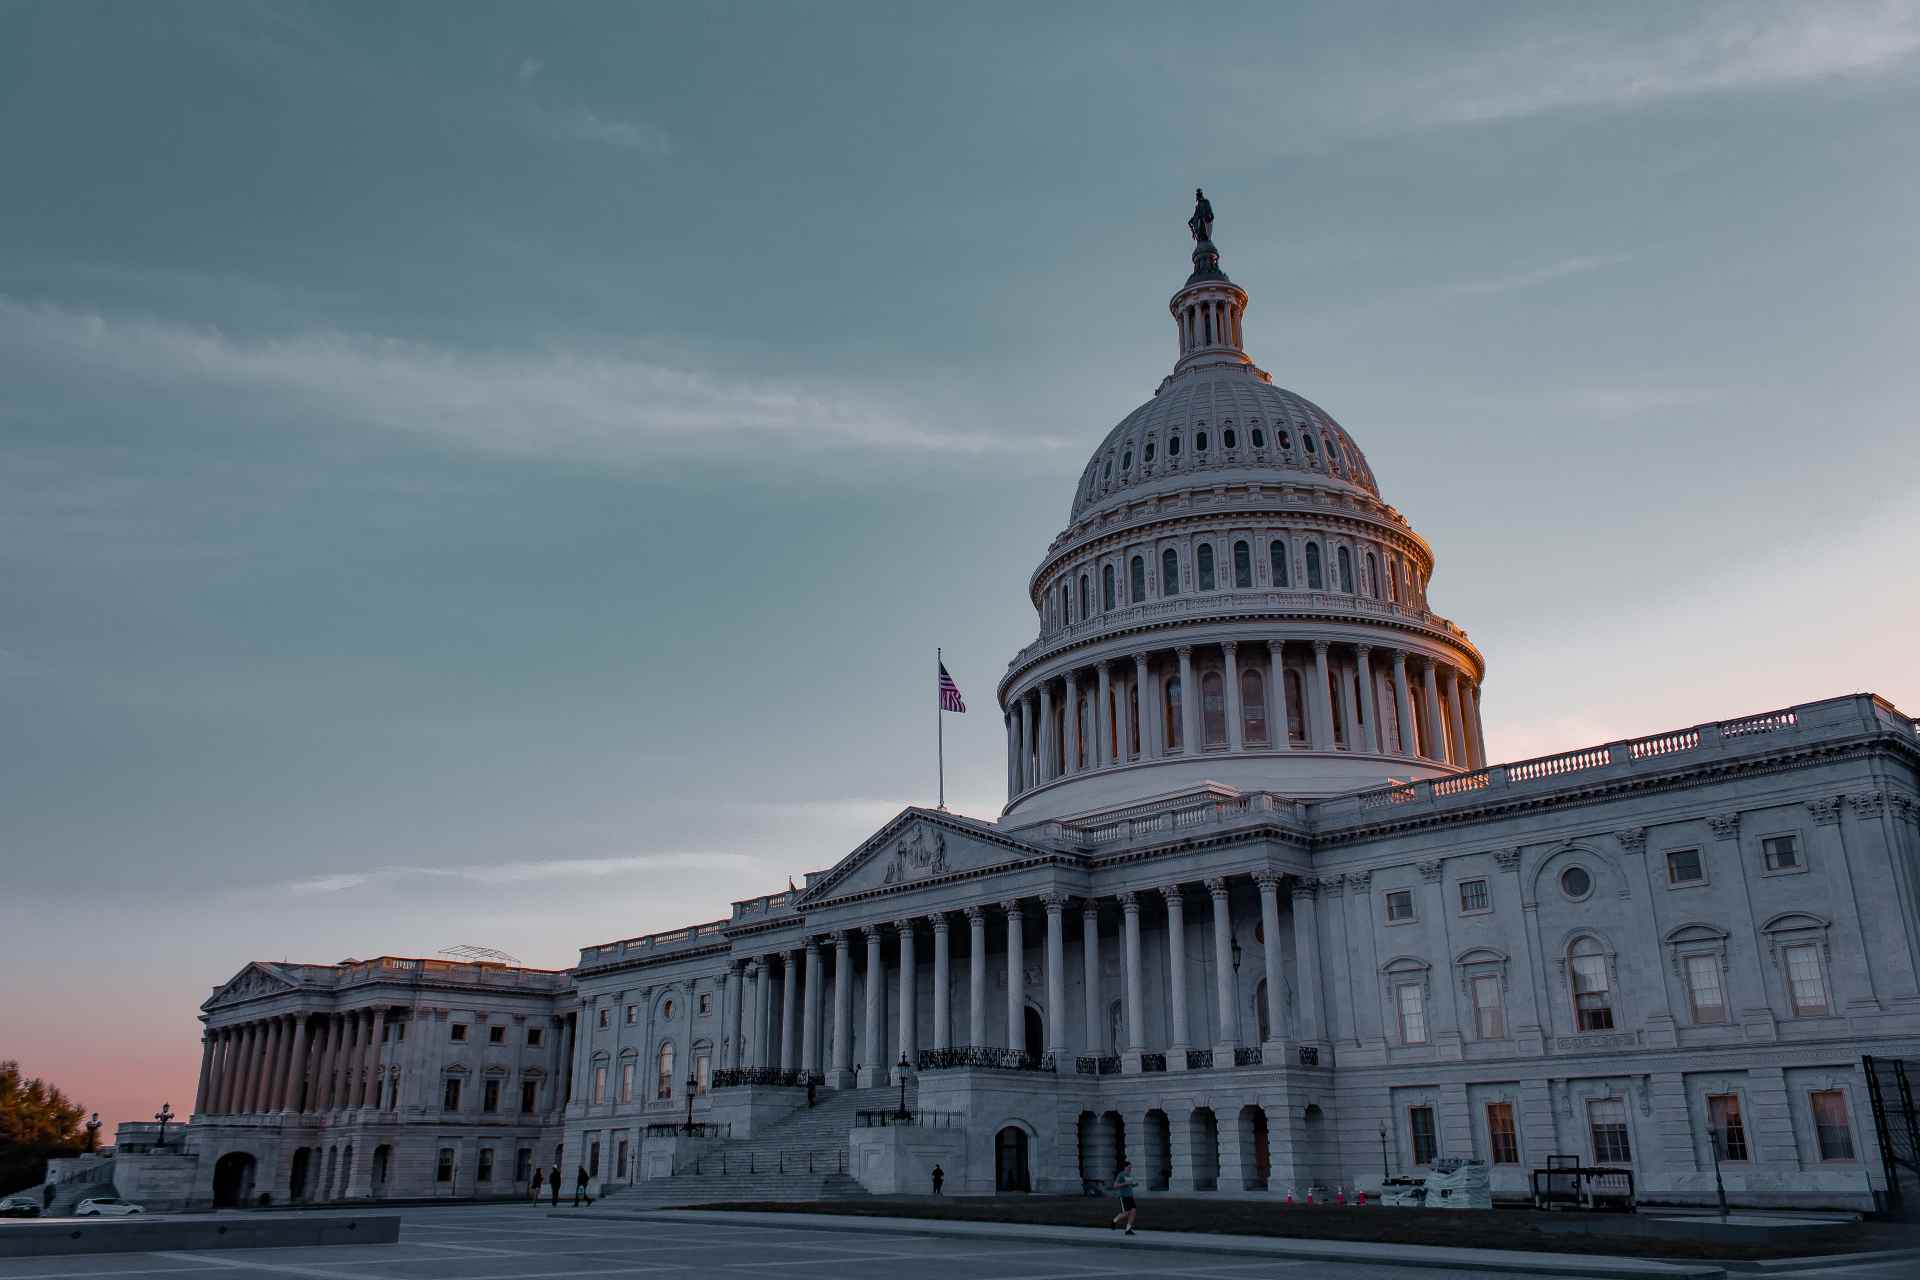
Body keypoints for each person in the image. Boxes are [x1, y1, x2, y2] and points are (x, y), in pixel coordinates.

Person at [1109, 1158, 1139, 1235]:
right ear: (1125, 1167)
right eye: (1129, 1167)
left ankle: (1128, 1229)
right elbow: (1115, 1185)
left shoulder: (1129, 1175)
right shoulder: (1121, 1174)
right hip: (1123, 1197)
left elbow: (1129, 1185)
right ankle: (1114, 1221)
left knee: (1133, 1212)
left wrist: (1134, 1185)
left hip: (1130, 1196)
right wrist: (1124, 1184)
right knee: (1126, 1213)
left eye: (1131, 1167)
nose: (1130, 1168)